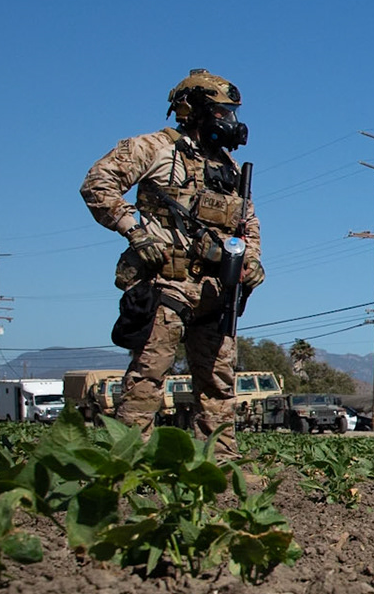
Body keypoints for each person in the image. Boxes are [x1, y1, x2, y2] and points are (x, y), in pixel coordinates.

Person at [80, 69, 264, 458]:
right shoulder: (156, 149)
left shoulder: (229, 169)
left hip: (215, 292)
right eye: (220, 112)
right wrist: (134, 230)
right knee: (147, 379)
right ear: (194, 109)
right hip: (165, 284)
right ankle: (130, 461)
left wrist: (251, 261)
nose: (229, 122)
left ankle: (220, 460)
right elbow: (98, 183)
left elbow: (247, 223)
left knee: (218, 384)